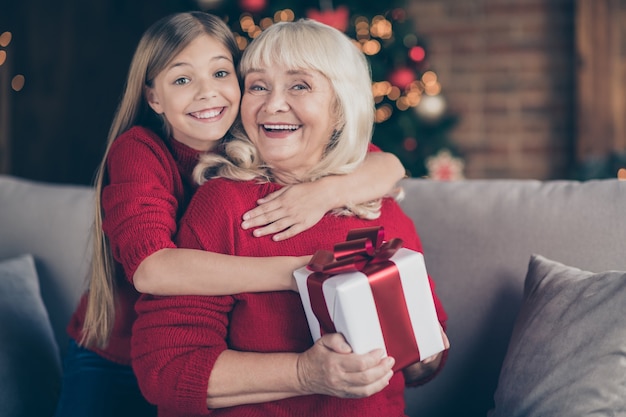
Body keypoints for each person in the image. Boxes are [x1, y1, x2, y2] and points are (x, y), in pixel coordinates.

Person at [54, 12, 405, 417]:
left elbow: (387, 165)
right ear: (153, 98)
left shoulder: (251, 138)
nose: (207, 93)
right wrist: (300, 274)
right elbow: (151, 270)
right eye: (182, 80)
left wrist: (322, 193)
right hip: (111, 353)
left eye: (221, 74)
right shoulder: (139, 150)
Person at [131, 19, 449, 417]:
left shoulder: (377, 203)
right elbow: (164, 370)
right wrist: (304, 374)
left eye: (299, 85)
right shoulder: (224, 205)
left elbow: (425, 361)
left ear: (339, 108)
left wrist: (420, 351)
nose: (272, 104)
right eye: (258, 86)